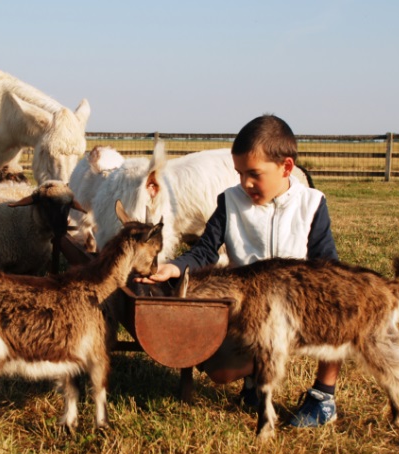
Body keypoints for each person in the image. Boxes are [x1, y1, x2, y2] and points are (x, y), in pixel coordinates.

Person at [136, 114, 340, 427]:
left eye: (254, 174)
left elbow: (327, 264)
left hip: (297, 310)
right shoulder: (230, 202)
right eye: (240, 173)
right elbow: (205, 250)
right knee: (220, 372)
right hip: (251, 312)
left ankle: (323, 397)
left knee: (339, 311)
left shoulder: (311, 204)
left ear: (286, 167)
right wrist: (174, 268)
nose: (245, 183)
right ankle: (254, 379)